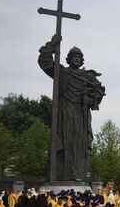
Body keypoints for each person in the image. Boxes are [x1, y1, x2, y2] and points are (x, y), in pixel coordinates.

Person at [38, 35, 106, 181]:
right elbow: (46, 63)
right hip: (64, 113)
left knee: (78, 144)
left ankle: (77, 174)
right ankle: (59, 175)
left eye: (78, 57)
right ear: (67, 59)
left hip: (80, 114)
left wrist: (91, 100)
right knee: (62, 142)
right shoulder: (62, 73)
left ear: (82, 60)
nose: (76, 59)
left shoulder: (88, 77)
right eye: (73, 56)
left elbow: (100, 92)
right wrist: (52, 44)